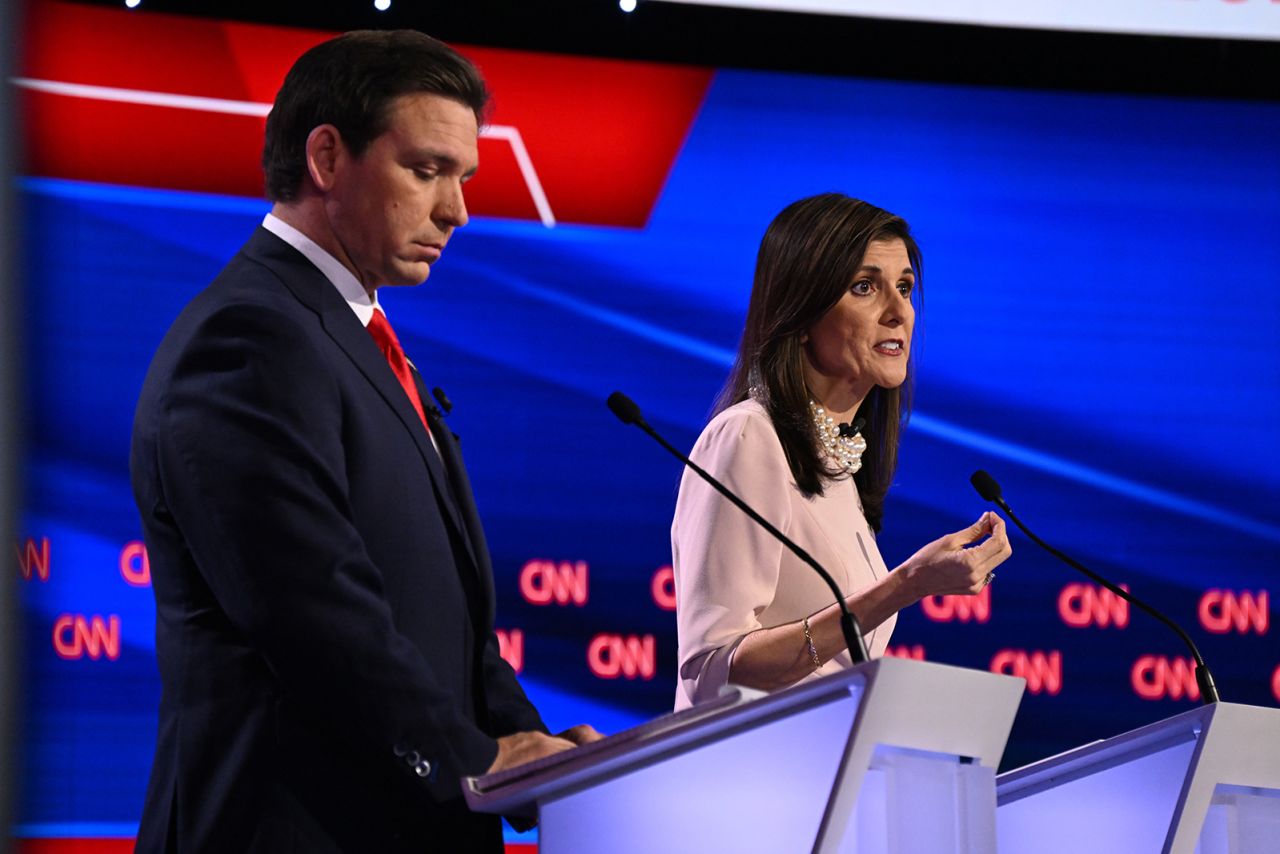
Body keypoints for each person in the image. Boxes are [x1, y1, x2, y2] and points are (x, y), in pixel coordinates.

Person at [130, 30, 597, 853]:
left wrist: (537, 754)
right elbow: (312, 610)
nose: (454, 209)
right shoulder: (250, 337)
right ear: (325, 157)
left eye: (463, 177)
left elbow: (446, 625)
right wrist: (476, 759)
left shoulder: (348, 333)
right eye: (425, 170)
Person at [672, 193, 1012, 710]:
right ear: (802, 313)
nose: (899, 313)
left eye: (904, 288)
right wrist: (904, 586)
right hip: (742, 782)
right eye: (864, 288)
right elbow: (710, 676)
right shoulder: (748, 438)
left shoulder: (839, 468)